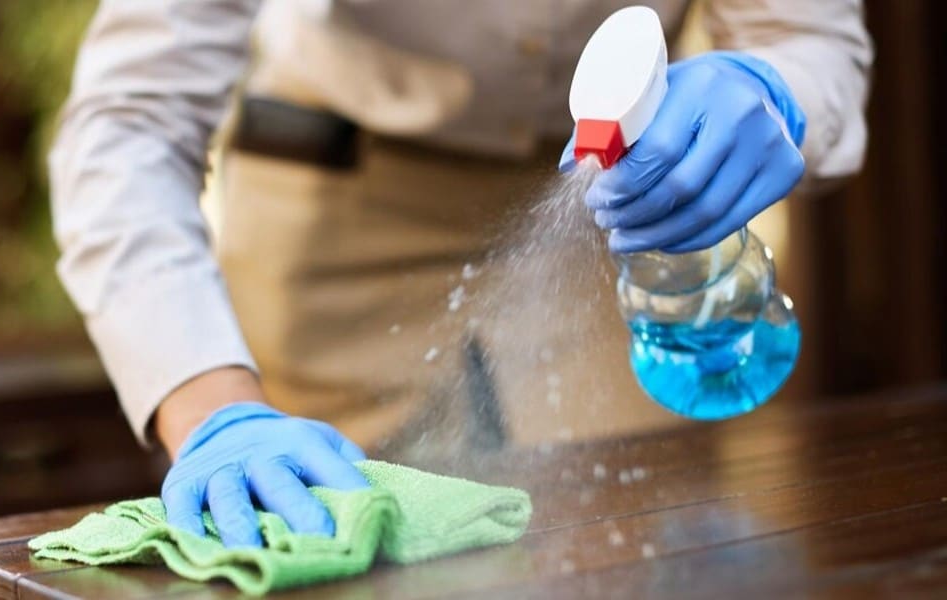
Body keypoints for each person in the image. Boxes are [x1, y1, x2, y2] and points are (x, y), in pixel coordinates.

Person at [50, 0, 871, 548]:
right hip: (338, 215)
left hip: (607, 207)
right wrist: (213, 411)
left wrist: (775, 90)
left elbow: (805, 39)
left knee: (641, 538)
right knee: (330, 537)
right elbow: (128, 125)